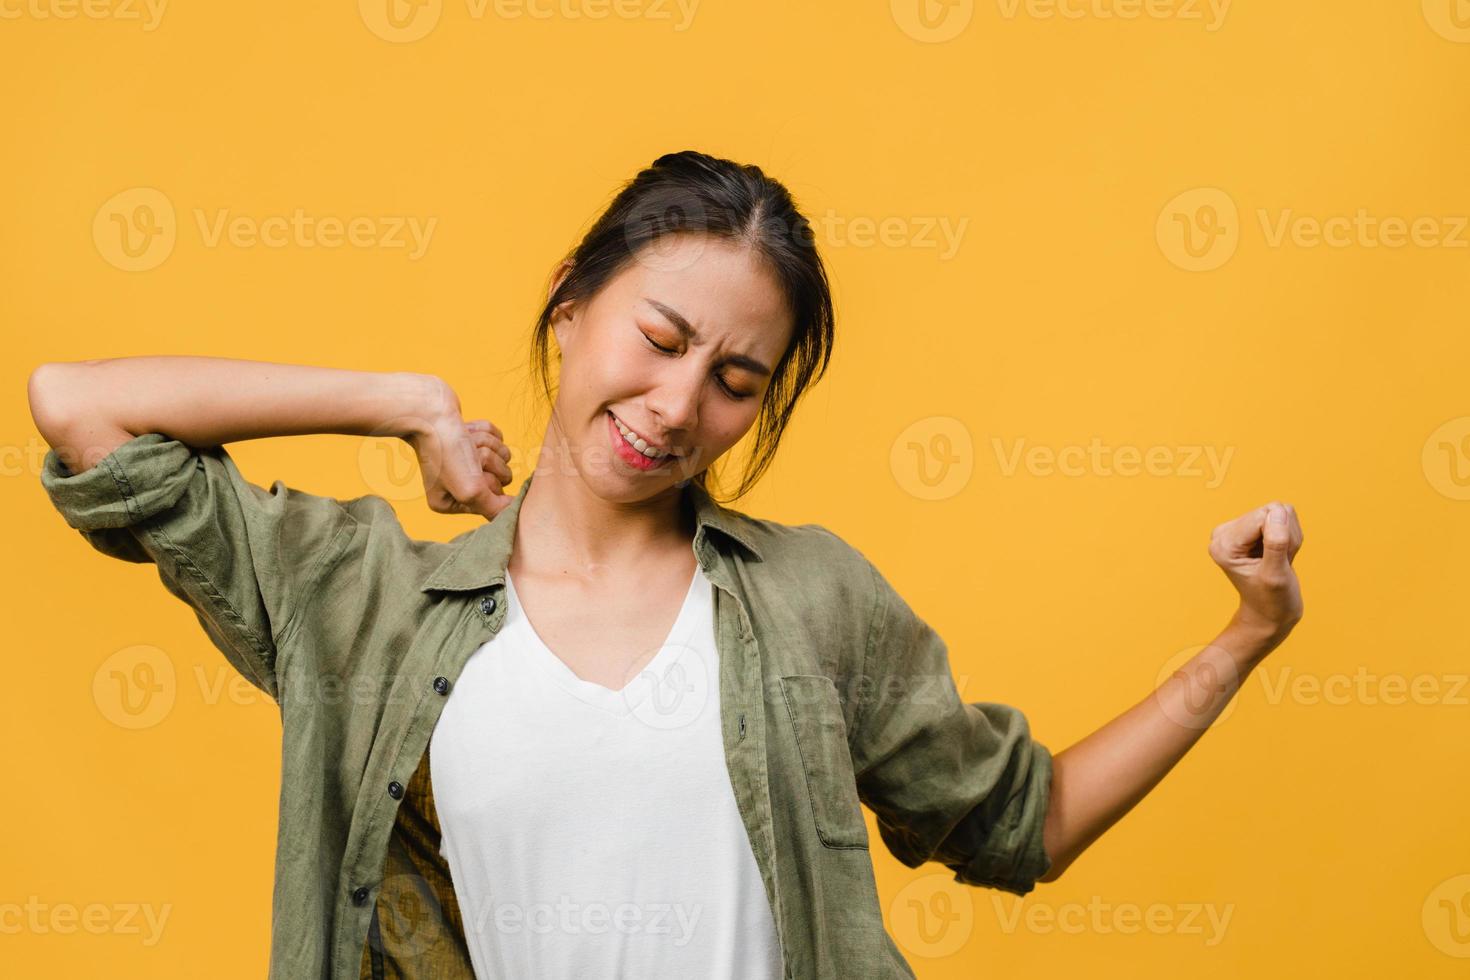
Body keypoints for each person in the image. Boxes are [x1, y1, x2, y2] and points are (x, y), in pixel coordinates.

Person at [29, 150, 1305, 980]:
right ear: (570, 306)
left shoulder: (814, 598)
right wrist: (397, 401)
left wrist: (1241, 640)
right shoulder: (367, 604)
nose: (678, 401)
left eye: (734, 378)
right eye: (660, 337)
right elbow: (79, 405)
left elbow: (1026, 822)